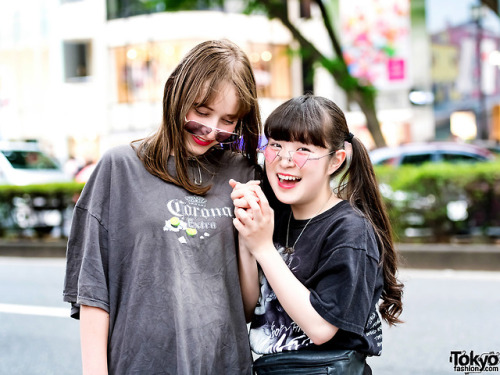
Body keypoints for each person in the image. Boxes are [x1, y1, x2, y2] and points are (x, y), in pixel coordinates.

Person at [63, 39, 262, 375]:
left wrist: (252, 238)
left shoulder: (242, 175)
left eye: (228, 119)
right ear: (175, 91)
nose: (210, 129)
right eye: (201, 111)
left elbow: (243, 308)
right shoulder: (119, 168)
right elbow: (93, 293)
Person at [230, 94, 404, 374]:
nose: (285, 160)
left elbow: (321, 328)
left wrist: (262, 248)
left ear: (335, 161)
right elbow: (250, 308)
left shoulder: (350, 230)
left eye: (303, 149)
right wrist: (246, 233)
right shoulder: (277, 216)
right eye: (276, 145)